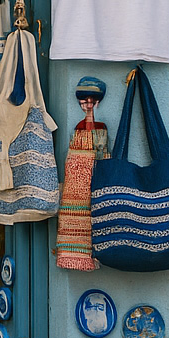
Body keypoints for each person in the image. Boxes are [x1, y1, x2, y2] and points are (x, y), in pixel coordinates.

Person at [56, 76, 108, 271]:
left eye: (91, 101)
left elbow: (103, 152)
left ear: (97, 102)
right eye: (84, 100)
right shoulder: (78, 128)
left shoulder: (101, 128)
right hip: (75, 191)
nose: (87, 104)